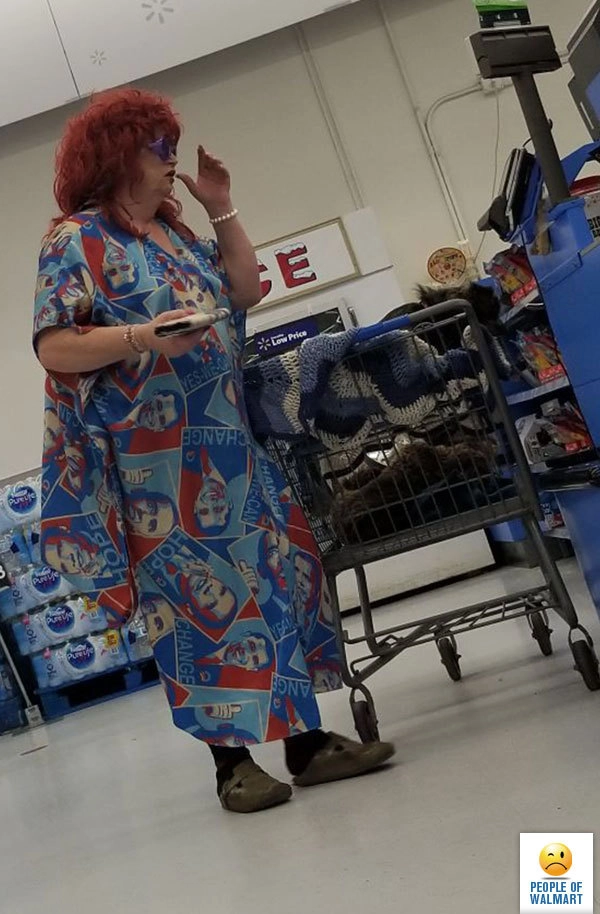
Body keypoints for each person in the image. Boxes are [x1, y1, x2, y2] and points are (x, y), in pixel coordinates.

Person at [33, 88, 394, 814]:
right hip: (158, 471)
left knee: (278, 586)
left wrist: (222, 206)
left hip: (235, 449)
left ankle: (307, 746)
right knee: (196, 612)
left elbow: (244, 288)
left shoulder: (174, 233)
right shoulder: (75, 241)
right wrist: (142, 337)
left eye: (172, 146)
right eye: (158, 147)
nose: (172, 160)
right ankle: (232, 766)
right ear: (116, 155)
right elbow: (55, 345)